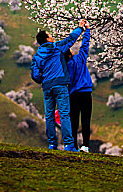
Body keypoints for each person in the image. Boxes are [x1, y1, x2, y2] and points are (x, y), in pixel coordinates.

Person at [30, 21, 86, 151]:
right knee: (64, 114)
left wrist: (43, 79)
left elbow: (35, 75)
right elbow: (71, 39)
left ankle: (52, 144)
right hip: (60, 85)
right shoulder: (57, 47)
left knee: (49, 116)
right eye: (50, 35)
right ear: (47, 39)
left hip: (47, 87)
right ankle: (69, 145)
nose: (52, 36)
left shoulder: (37, 56)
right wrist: (80, 27)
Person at [65, 20, 93, 152]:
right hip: (86, 93)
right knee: (86, 119)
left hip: (73, 95)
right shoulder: (80, 59)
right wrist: (86, 30)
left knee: (74, 122)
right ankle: (85, 146)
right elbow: (85, 46)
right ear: (70, 53)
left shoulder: (64, 68)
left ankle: (73, 146)